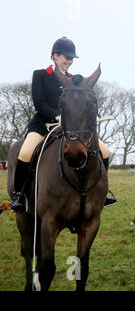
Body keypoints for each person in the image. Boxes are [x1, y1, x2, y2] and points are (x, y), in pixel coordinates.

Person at [10, 37, 117, 212]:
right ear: (55, 56)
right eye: (66, 57)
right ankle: (19, 195)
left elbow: (81, 103)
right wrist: (57, 116)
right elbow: (39, 103)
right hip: (43, 124)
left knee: (104, 150)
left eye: (71, 58)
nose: (69, 61)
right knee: (26, 151)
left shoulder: (74, 81)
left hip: (70, 126)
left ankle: (102, 193)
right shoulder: (41, 75)